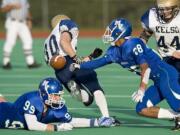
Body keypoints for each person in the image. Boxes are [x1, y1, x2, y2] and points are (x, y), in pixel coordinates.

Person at [71, 18, 180, 130]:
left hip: (166, 75)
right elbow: (99, 62)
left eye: (111, 30)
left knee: (177, 106)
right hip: (157, 80)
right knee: (142, 109)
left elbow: (145, 68)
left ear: (120, 33)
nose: (108, 33)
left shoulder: (133, 44)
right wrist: (80, 66)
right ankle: (176, 116)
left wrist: (141, 89)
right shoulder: (114, 50)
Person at [43, 14, 118, 123]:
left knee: (87, 100)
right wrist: (76, 59)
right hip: (69, 61)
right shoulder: (66, 24)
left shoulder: (47, 41)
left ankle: (79, 89)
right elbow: (64, 43)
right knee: (95, 87)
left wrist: (90, 56)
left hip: (60, 72)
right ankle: (106, 118)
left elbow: (58, 59)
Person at [0, 77, 117, 131]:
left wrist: (97, 122)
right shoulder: (32, 99)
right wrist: (56, 128)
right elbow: (32, 125)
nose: (58, 99)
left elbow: (71, 121)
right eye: (55, 96)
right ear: (45, 94)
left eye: (59, 95)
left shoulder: (57, 107)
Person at [139, 0, 180, 76]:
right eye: (161, 9)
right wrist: (138, 48)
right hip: (163, 58)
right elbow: (145, 35)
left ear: (175, 8)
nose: (164, 12)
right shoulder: (152, 17)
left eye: (168, 9)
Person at [1, 0, 41, 69]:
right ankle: (6, 62)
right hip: (12, 22)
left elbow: (26, 9)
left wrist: (29, 19)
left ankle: (30, 62)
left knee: (28, 40)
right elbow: (2, 9)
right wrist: (12, 6)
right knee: (10, 41)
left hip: (23, 22)